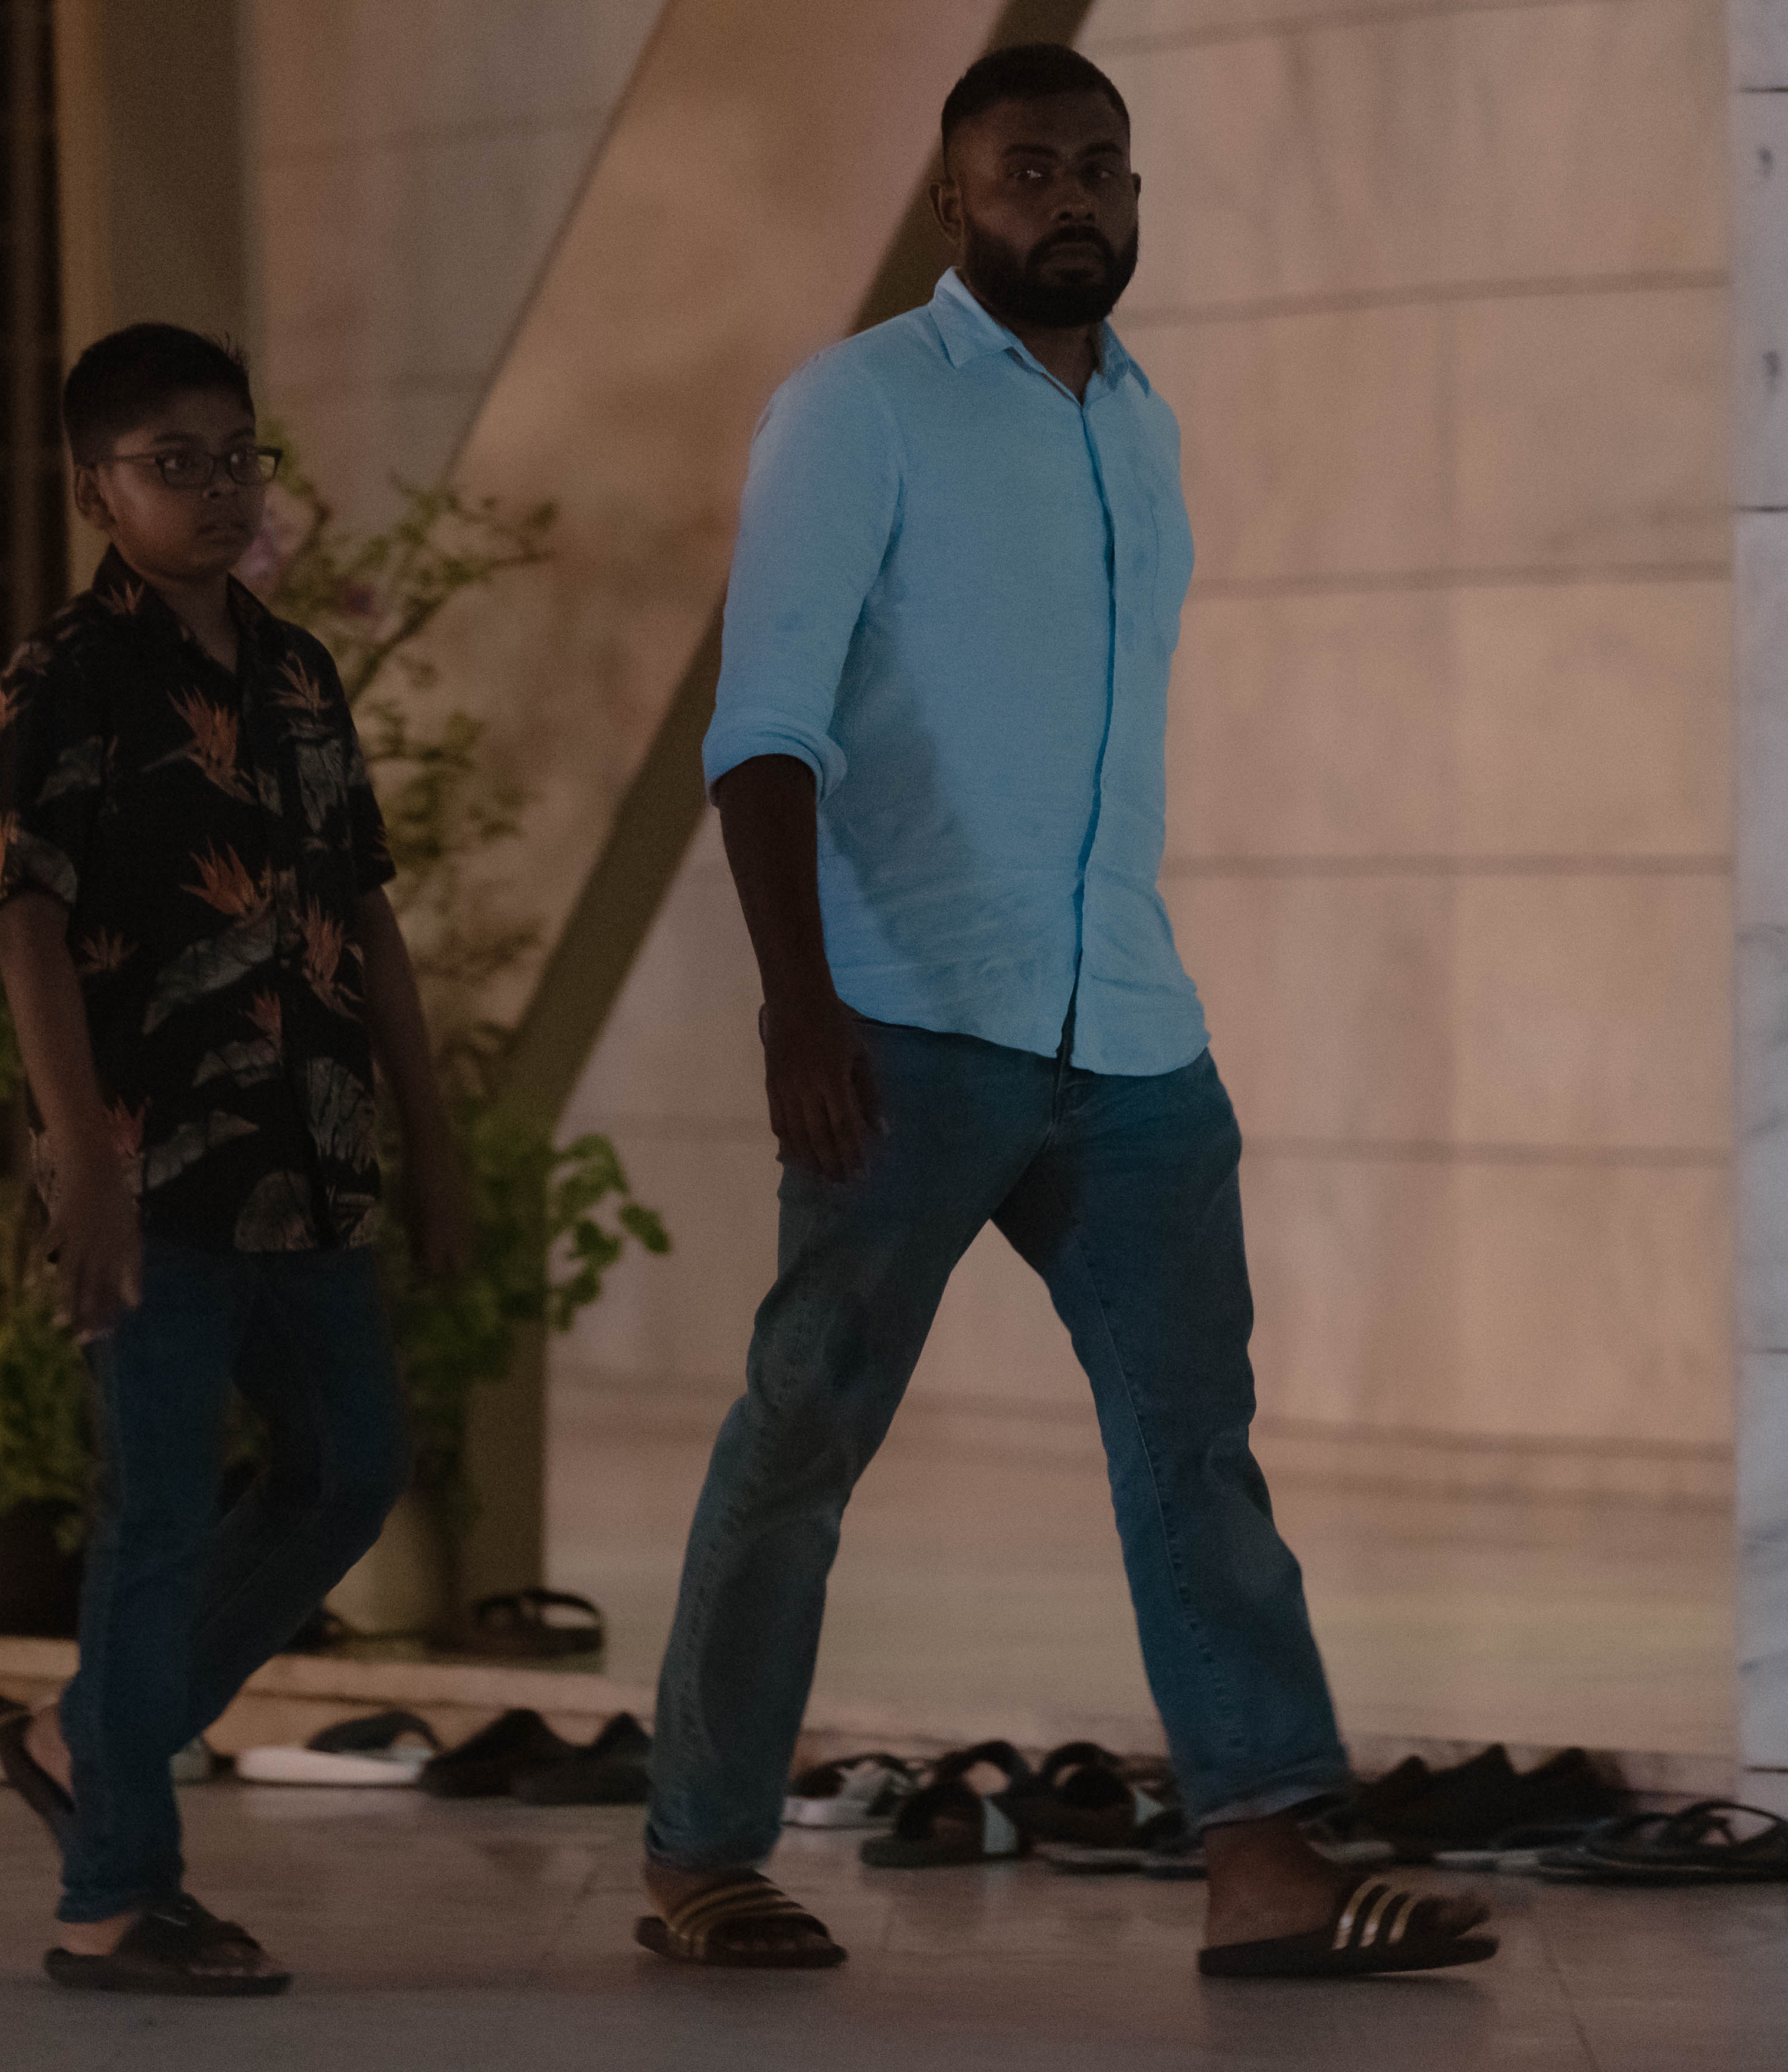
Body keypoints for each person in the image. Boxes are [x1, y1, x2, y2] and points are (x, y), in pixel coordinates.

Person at [634, 46, 1495, 1981]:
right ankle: (698, 1854)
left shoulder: (1140, 422)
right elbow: (761, 728)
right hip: (905, 1021)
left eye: (1101, 166)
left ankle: (1262, 1861)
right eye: (1029, 170)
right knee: (804, 1431)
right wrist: (797, 1010)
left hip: (1127, 1030)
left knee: (1195, 1447)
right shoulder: (856, 408)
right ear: (954, 202)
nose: (1072, 197)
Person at [0, 322, 471, 1996]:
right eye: (171, 463)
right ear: (92, 491)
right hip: (152, 1171)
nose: (215, 490)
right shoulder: (63, 679)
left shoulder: (299, 673)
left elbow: (365, 914)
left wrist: (431, 1139)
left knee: (351, 1466)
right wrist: (82, 1163)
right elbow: (27, 925)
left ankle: (85, 1739)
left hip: (310, 1161)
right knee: (159, 1515)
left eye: (235, 456)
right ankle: (113, 1900)